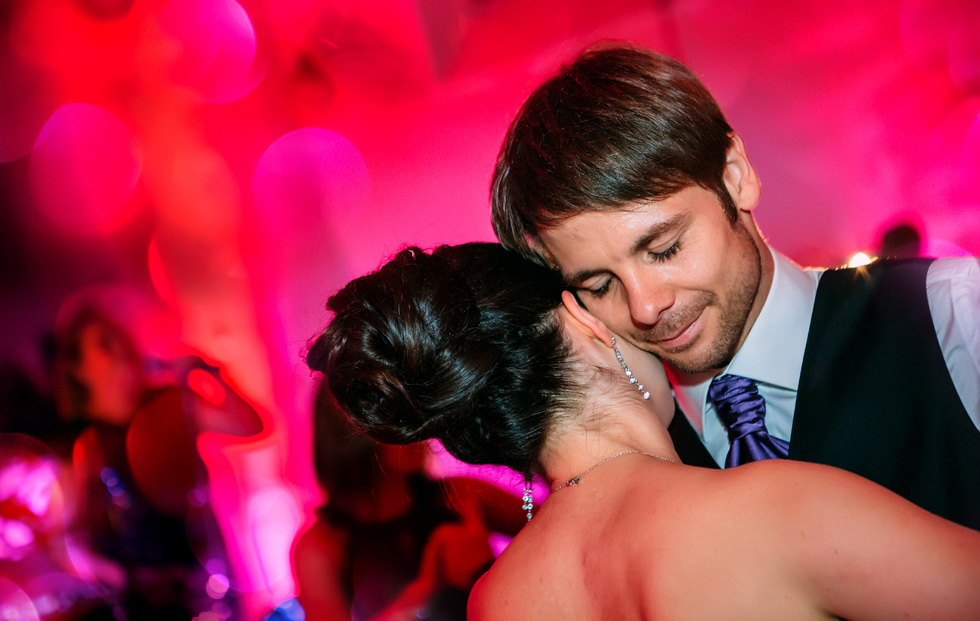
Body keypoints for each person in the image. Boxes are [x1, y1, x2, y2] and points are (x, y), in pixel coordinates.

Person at [307, 242, 980, 619]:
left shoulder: (499, 604)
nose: (646, 310)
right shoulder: (774, 510)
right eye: (604, 290)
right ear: (583, 323)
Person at [489, 43, 980, 530]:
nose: (645, 306)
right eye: (600, 285)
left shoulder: (950, 311)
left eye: (665, 248)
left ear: (735, 177)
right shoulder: (631, 473)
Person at [291, 381, 524, 620]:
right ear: (354, 429)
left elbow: (547, 522)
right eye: (398, 414)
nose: (420, 428)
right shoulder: (320, 547)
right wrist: (427, 589)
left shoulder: (458, 493)